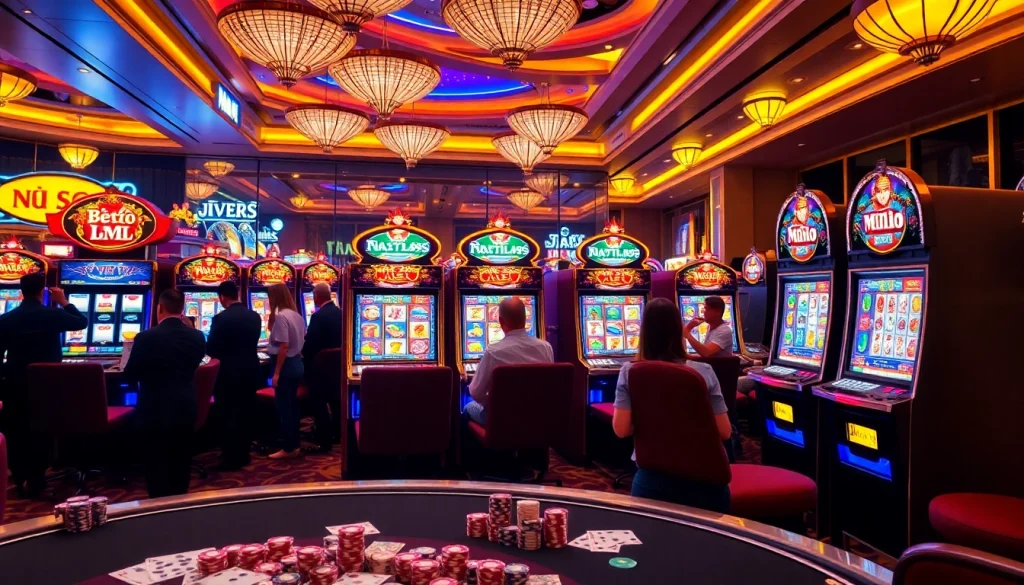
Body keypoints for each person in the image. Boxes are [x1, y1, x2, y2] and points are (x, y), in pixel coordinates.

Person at [612, 297, 732, 512]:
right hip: (705, 480)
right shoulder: (703, 371)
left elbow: (621, 430)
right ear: (679, 329)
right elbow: (724, 432)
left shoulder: (630, 371)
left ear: (643, 331)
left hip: (652, 479)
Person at [0, 272, 87, 495]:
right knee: (43, 430)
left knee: (18, 431)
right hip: (48, 385)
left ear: (21, 292)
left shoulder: (7, 319)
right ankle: (39, 476)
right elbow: (81, 322)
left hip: (16, 385)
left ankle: (20, 478)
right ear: (42, 291)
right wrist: (63, 302)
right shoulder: (51, 314)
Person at [122, 288, 206, 498]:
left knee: (156, 458)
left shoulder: (145, 337)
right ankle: (180, 500)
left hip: (154, 408)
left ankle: (158, 504)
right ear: (183, 309)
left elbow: (131, 375)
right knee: (182, 456)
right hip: (185, 404)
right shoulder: (197, 336)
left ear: (159, 308)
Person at [465, 297, 553, 425]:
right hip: (537, 419)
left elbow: (476, 393)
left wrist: (495, 403)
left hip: (503, 421)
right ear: (525, 319)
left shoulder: (494, 352)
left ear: (500, 321)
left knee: (467, 408)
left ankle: (489, 443)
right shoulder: (546, 348)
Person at [206, 281, 262, 469]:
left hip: (228, 374)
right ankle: (244, 453)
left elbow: (212, 348)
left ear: (222, 297)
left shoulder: (221, 318)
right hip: (250, 371)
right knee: (246, 413)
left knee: (228, 414)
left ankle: (231, 456)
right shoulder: (254, 316)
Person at [266, 283, 306, 459]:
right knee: (292, 406)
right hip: (297, 362)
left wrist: (276, 373)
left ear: (275, 297)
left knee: (284, 408)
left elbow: (283, 346)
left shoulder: (282, 316)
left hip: (286, 365)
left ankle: (288, 448)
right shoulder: (296, 315)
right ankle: (294, 444)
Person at [302, 283, 342, 453]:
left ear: (317, 296)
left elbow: (309, 345)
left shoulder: (318, 317)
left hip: (319, 369)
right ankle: (338, 434)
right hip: (337, 366)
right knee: (335, 400)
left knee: (318, 402)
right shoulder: (341, 312)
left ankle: (323, 439)